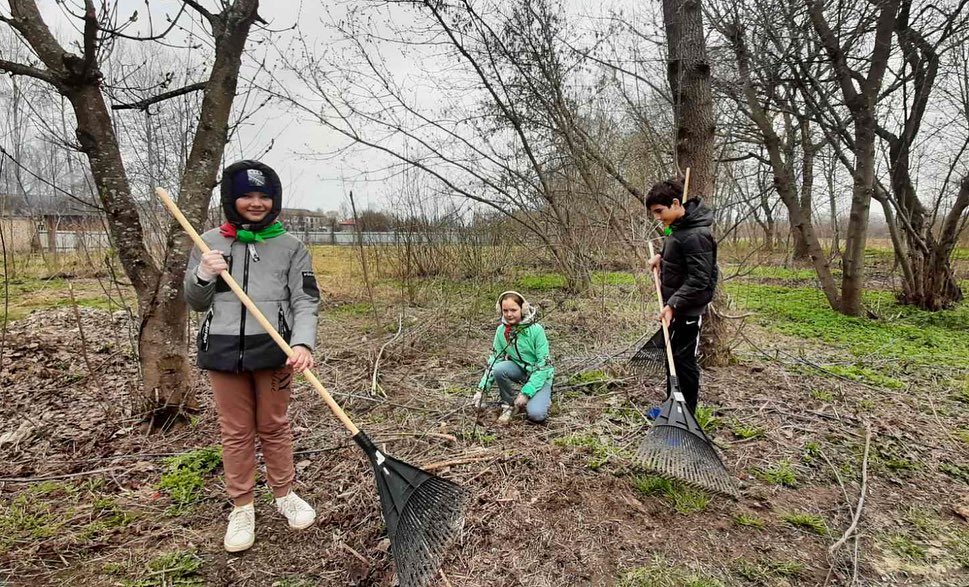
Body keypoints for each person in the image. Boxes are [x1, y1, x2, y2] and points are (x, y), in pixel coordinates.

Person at [184, 160, 321, 553]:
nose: (256, 203)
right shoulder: (208, 240)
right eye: (248, 195)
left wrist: (302, 343)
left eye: (264, 196)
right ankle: (242, 506)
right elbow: (194, 302)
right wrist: (205, 275)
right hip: (223, 349)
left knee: (274, 425)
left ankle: (284, 494)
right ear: (232, 199)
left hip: (274, 350)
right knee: (236, 431)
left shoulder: (291, 247)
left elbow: (306, 300)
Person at [646, 178, 718, 416]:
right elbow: (681, 257)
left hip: (688, 309)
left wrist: (674, 304)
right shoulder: (679, 227)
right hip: (675, 307)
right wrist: (661, 257)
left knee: (683, 362)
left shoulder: (696, 234)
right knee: (672, 358)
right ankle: (671, 408)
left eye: (659, 211)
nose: (657, 217)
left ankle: (685, 416)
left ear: (676, 203)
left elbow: (700, 279)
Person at [473, 291, 554, 425]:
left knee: (536, 415)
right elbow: (494, 359)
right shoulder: (501, 331)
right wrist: (481, 390)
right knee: (499, 369)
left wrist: (526, 393)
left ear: (522, 309)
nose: (509, 314)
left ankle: (543, 396)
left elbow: (544, 365)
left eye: (513, 310)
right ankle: (508, 405)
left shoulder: (536, 330)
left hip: (541, 374)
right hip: (520, 370)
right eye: (505, 310)